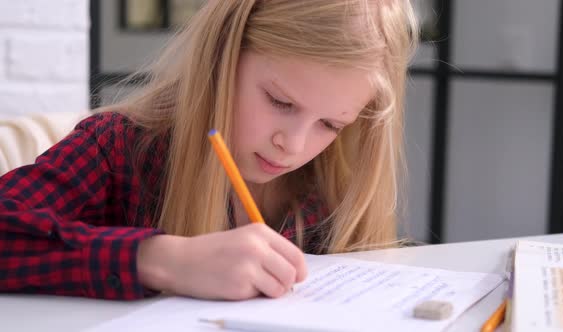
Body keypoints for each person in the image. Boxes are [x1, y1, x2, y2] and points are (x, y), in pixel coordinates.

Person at [0, 0, 417, 301]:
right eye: (280, 102)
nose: (293, 144)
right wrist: (164, 260)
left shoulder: (332, 188)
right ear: (224, 55)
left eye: (330, 124)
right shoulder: (119, 149)